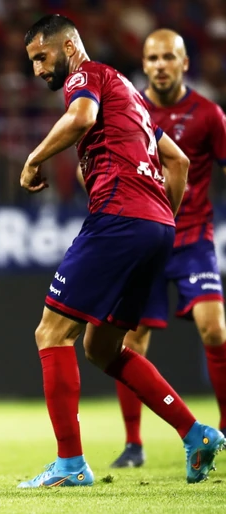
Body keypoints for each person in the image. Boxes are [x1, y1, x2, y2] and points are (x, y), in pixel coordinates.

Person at [19, 14, 224, 488]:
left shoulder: (86, 76)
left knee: (51, 333)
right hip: (157, 228)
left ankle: (70, 464)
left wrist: (34, 159)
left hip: (119, 217)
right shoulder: (131, 94)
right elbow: (178, 161)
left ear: (69, 47)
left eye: (41, 57)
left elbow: (81, 118)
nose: (38, 70)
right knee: (102, 347)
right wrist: (162, 219)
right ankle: (196, 433)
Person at [108, 30, 226, 469]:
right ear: (144, 63)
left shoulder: (209, 114)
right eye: (153, 58)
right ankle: (133, 444)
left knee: (214, 329)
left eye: (168, 57)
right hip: (146, 237)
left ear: (184, 63)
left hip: (192, 236)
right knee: (131, 340)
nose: (160, 65)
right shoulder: (128, 108)